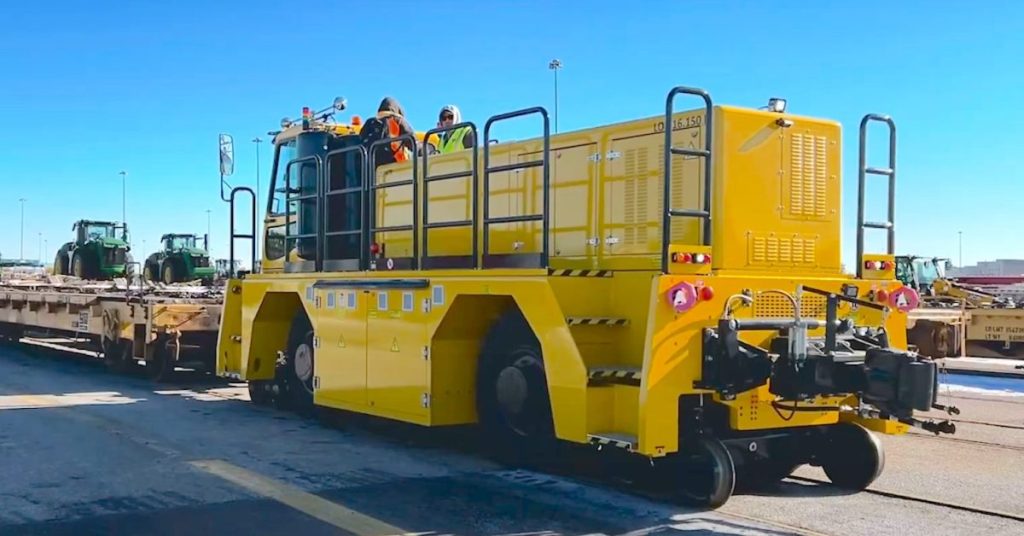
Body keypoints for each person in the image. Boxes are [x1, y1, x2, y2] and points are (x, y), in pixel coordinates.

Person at [360, 97, 415, 166]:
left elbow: (361, 138)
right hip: (394, 162)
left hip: (371, 164)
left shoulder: (370, 122)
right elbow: (412, 140)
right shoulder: (398, 120)